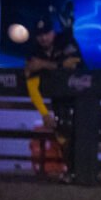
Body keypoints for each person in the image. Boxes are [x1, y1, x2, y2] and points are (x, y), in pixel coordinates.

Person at [24, 13, 83, 179]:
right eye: (39, 35)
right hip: (59, 98)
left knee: (85, 132)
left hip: (83, 95)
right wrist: (44, 113)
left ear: (53, 33)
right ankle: (72, 172)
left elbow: (74, 65)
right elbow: (32, 85)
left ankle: (88, 173)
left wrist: (45, 65)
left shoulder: (66, 40)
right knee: (63, 133)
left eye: (47, 33)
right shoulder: (34, 51)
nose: (43, 38)